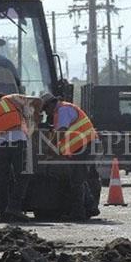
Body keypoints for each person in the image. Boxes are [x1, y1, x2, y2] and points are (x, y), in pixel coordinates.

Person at [0, 91, 42, 222]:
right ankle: (14, 207)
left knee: (1, 181)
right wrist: (34, 118)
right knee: (24, 174)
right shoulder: (10, 99)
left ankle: (4, 213)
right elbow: (37, 100)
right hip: (18, 141)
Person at [41, 93, 99, 221]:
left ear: (51, 104)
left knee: (76, 180)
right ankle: (91, 207)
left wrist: (50, 148)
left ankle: (78, 213)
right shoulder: (60, 112)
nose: (46, 113)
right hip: (81, 147)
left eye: (46, 109)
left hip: (85, 146)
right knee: (79, 178)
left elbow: (61, 131)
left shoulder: (63, 110)